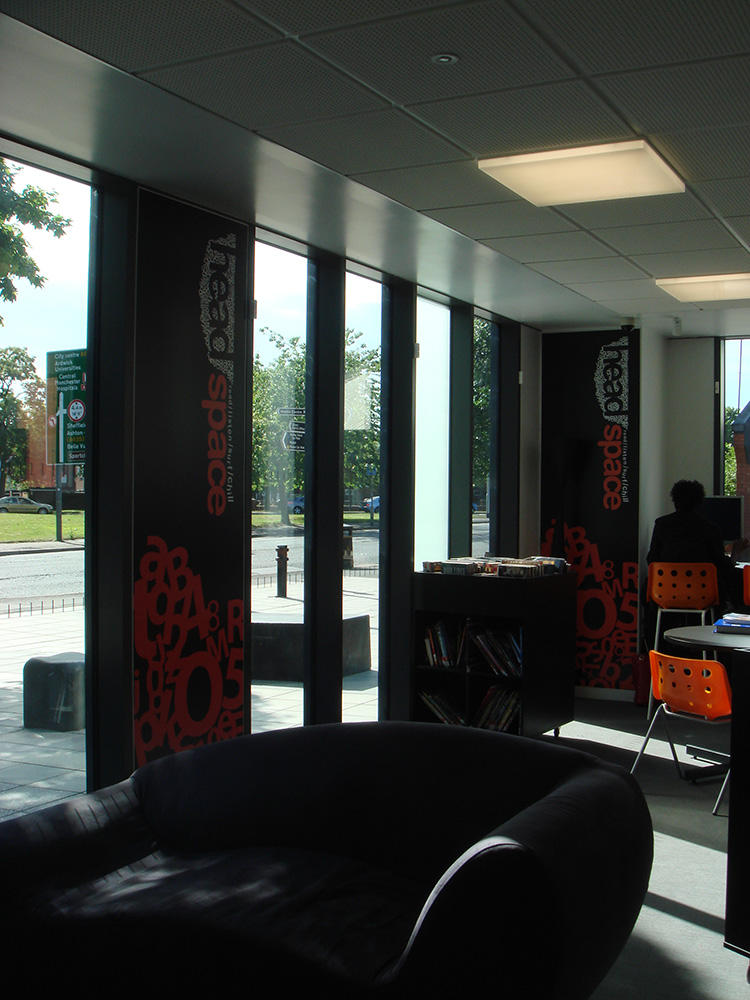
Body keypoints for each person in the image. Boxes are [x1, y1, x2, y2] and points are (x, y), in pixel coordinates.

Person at [647, 479, 748, 612]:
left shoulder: (661, 525)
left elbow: (651, 559)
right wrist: (735, 553)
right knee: (736, 580)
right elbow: (725, 569)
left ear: (674, 501)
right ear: (699, 503)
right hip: (701, 594)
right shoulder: (709, 528)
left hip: (663, 592)